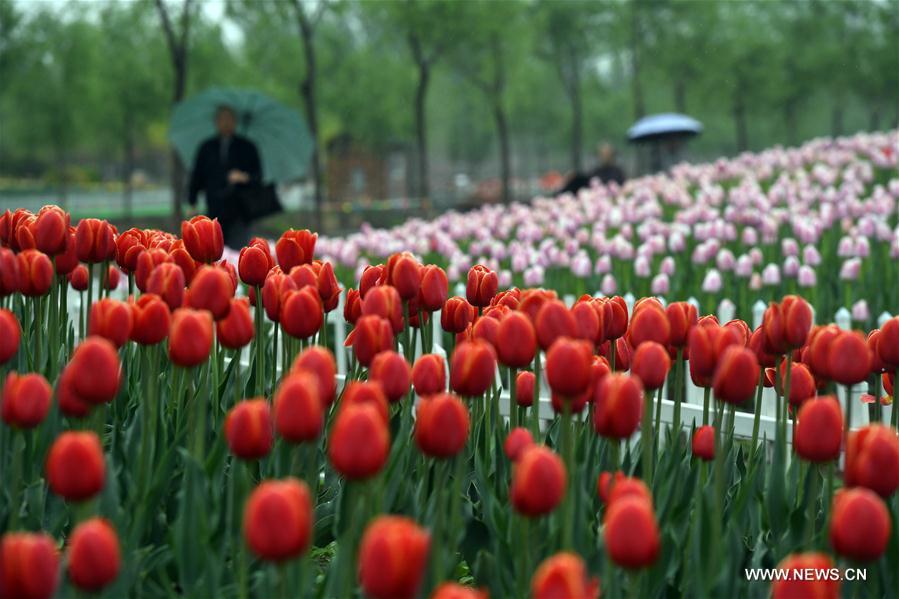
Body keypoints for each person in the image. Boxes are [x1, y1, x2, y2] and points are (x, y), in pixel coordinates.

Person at [188, 105, 261, 247]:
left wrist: (244, 177)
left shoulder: (247, 147)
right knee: (214, 249)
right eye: (222, 119)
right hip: (214, 207)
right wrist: (192, 200)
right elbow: (197, 176)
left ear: (236, 122)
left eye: (229, 118)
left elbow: (257, 177)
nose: (226, 122)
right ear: (216, 122)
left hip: (240, 211)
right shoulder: (206, 147)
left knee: (237, 251)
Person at [556, 142, 626, 196]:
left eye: (607, 154)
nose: (604, 156)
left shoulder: (618, 172)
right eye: (602, 154)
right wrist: (574, 175)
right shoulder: (596, 171)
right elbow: (586, 180)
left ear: (612, 155)